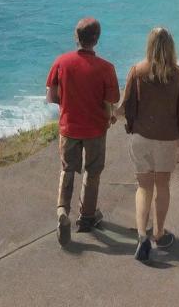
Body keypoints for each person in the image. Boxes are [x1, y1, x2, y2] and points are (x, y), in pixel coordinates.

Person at [46, 17, 120, 247]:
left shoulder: (61, 62)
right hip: (96, 128)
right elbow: (111, 101)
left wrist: (67, 103)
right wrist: (111, 116)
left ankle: (62, 210)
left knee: (67, 169)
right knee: (92, 171)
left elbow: (51, 96)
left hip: (69, 127)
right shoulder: (106, 68)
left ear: (75, 37)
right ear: (96, 40)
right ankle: (87, 216)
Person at [119, 27, 179, 262]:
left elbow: (127, 107)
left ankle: (142, 235)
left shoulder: (137, 71)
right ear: (171, 47)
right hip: (167, 138)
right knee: (163, 185)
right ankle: (159, 232)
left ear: (149, 46)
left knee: (143, 187)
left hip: (141, 138)